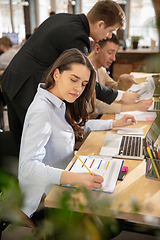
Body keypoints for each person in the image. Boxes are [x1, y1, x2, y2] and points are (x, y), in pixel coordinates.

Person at [0, 0, 139, 158]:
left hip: (12, 80)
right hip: (26, 88)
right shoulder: (78, 38)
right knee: (33, 144)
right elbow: (88, 81)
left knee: (21, 140)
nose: (109, 36)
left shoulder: (64, 18)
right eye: (110, 31)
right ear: (100, 24)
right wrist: (120, 95)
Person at [18, 48, 137, 218]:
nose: (78, 89)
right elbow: (27, 168)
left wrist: (114, 123)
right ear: (56, 74)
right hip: (44, 199)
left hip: (64, 180)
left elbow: (75, 126)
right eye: (74, 79)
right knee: (109, 216)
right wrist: (74, 178)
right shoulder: (42, 110)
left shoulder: (58, 100)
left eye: (83, 84)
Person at [88, 34, 153, 116]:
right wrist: (134, 107)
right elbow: (95, 105)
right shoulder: (83, 71)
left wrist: (122, 80)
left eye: (115, 54)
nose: (113, 58)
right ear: (97, 49)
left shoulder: (101, 69)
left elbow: (111, 92)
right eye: (110, 53)